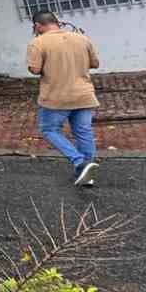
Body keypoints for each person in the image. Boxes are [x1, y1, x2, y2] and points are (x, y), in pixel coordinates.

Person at [26, 11, 101, 186]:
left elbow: (35, 69)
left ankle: (79, 162)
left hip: (56, 97)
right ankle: (87, 174)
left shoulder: (37, 43)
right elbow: (95, 64)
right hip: (84, 94)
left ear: (37, 26)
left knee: (49, 129)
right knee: (83, 132)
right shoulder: (82, 38)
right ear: (57, 22)